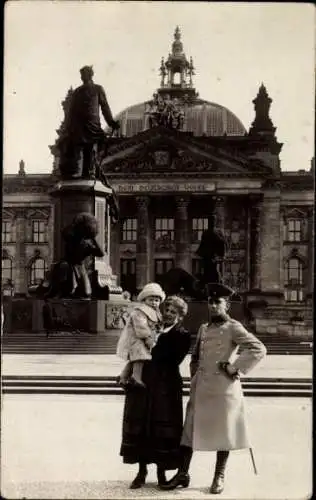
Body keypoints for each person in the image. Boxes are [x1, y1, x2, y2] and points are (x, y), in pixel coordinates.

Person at [161, 282, 267, 494]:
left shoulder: (234, 327)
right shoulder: (203, 328)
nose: (212, 306)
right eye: (210, 302)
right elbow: (196, 357)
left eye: (217, 302)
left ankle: (219, 476)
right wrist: (194, 376)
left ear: (226, 305)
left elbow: (258, 348)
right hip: (201, 388)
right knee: (189, 432)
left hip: (223, 389)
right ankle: (183, 474)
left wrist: (234, 368)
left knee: (223, 433)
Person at [120, 295, 191, 489]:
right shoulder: (153, 327)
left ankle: (162, 472)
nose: (168, 314)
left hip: (166, 387)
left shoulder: (183, 334)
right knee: (142, 425)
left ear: (180, 316)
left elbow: (172, 359)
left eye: (173, 312)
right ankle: (141, 472)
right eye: (166, 309)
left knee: (162, 429)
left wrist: (153, 345)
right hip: (144, 382)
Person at [116, 283, 166, 388]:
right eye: (151, 300)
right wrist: (147, 337)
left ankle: (123, 376)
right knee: (140, 357)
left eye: (156, 300)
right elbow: (141, 326)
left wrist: (159, 331)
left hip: (147, 338)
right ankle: (136, 377)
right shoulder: (139, 311)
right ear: (144, 300)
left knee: (135, 359)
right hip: (137, 338)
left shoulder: (156, 312)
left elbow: (158, 324)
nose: (154, 303)